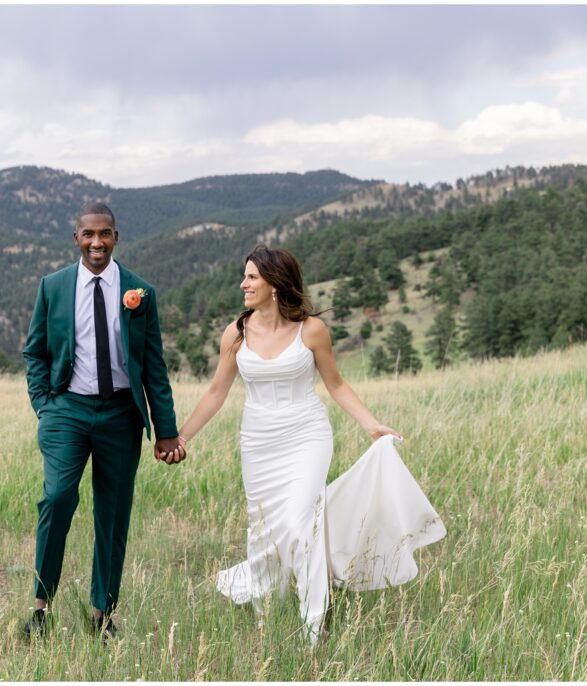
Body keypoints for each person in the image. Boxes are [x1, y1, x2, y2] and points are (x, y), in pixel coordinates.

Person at [171, 245, 445, 644]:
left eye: (251, 277)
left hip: (306, 436)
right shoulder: (236, 332)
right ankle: (269, 610)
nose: (242, 284)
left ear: (275, 284)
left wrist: (371, 426)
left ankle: (314, 625)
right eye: (245, 276)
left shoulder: (311, 330)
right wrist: (181, 437)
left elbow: (335, 383)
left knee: (302, 525)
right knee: (265, 530)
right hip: (258, 442)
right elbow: (216, 392)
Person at [21, 201, 186, 640]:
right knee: (56, 498)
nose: (97, 242)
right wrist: (43, 404)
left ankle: (102, 614)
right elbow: (35, 351)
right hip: (67, 410)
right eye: (89, 234)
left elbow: (154, 367)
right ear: (76, 238)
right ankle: (41, 607)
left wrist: (166, 430)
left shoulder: (139, 292)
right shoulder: (53, 286)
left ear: (116, 237)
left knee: (112, 515)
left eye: (106, 233)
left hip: (120, 415)